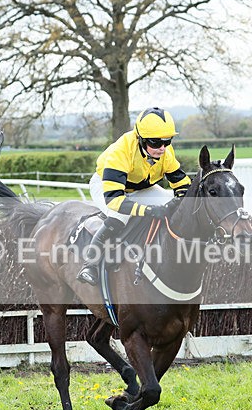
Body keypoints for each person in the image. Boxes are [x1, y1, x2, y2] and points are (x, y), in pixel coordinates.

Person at [76, 107, 191, 286]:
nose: (162, 148)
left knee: (174, 205)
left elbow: (182, 183)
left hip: (140, 188)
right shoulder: (121, 152)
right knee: (119, 216)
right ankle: (90, 265)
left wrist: (180, 199)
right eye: (155, 143)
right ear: (141, 139)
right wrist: (149, 210)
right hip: (107, 186)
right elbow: (115, 200)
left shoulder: (165, 152)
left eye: (167, 141)